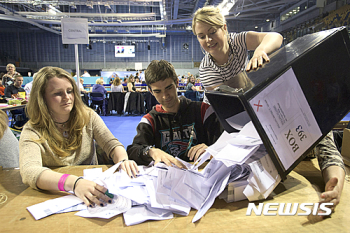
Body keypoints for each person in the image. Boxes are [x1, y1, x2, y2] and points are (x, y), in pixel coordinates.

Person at [19, 66, 138, 207]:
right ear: (42, 99)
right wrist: (74, 183)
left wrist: (123, 160)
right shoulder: (32, 130)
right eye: (58, 93)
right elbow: (30, 171)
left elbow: (111, 144)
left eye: (70, 91)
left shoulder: (89, 116)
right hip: (54, 196)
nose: (67, 97)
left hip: (94, 192)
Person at [127, 60, 223, 168]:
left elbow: (227, 144)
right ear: (150, 91)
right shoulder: (150, 120)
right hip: (168, 178)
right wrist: (151, 152)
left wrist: (213, 150)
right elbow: (133, 150)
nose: (165, 96)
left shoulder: (203, 111)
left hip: (202, 175)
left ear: (177, 82)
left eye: (169, 88)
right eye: (158, 91)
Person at [192, 6, 283, 93]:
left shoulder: (237, 41)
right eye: (202, 36)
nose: (208, 40)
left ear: (224, 28)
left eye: (213, 32)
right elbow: (227, 101)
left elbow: (276, 37)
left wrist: (261, 50)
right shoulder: (206, 69)